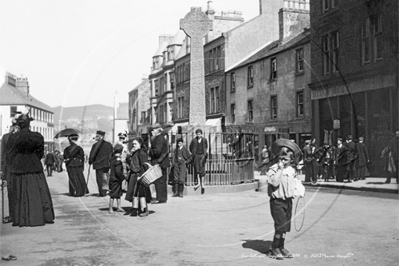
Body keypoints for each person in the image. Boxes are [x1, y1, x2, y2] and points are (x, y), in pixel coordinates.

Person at [6, 110, 55, 227]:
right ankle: (41, 216)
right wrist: (32, 159)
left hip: (18, 167)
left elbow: (10, 154)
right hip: (34, 166)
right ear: (29, 124)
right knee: (38, 191)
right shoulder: (37, 136)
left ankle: (20, 217)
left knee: (19, 192)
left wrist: (12, 164)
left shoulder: (14, 137)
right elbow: (40, 153)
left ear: (19, 125)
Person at [265, 138, 303, 260]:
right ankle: (273, 248)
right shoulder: (274, 169)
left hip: (288, 201)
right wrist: (280, 169)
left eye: (285, 159)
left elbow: (295, 183)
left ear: (291, 160)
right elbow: (274, 183)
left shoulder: (291, 170)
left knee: (285, 226)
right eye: (281, 158)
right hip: (277, 202)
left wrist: (299, 190)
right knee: (280, 225)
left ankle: (281, 246)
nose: (282, 161)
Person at [125, 137, 151, 217]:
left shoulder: (142, 153)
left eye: (135, 144)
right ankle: (135, 209)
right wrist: (129, 155)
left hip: (139, 175)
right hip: (133, 174)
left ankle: (144, 209)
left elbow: (144, 165)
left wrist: (141, 175)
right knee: (134, 193)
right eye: (133, 144)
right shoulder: (135, 152)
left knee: (141, 193)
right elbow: (130, 163)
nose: (133, 145)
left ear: (140, 144)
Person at [0, 117, 20, 223]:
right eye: (14, 126)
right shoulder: (6, 137)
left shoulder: (22, 137)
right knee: (11, 193)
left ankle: (20, 215)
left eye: (17, 126)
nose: (15, 128)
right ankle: (13, 215)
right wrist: (1, 170)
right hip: (9, 169)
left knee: (21, 192)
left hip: (20, 168)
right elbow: (2, 154)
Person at [148, 124, 170, 203]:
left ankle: (160, 198)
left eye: (153, 130)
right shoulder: (160, 137)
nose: (152, 132)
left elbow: (157, 152)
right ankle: (162, 198)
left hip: (160, 162)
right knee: (161, 181)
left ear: (158, 130)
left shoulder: (158, 139)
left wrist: (150, 151)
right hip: (161, 162)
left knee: (159, 181)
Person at [89, 130, 113, 197]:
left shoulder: (95, 145)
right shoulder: (109, 144)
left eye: (97, 136)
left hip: (99, 164)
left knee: (100, 179)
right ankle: (105, 191)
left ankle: (102, 193)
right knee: (106, 178)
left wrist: (90, 161)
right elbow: (112, 154)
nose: (95, 137)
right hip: (107, 164)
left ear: (101, 136)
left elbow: (92, 155)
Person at [108, 144, 127, 213]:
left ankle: (119, 207)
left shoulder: (112, 158)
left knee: (118, 193)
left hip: (112, 178)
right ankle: (111, 208)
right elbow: (118, 171)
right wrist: (123, 177)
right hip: (116, 179)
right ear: (121, 152)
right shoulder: (118, 160)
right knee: (113, 194)